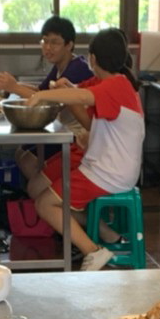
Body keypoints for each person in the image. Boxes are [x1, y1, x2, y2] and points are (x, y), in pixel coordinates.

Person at [23, 27, 143, 271]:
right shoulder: (113, 82)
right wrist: (66, 87)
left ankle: (94, 252)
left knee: (45, 204)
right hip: (107, 167)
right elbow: (80, 92)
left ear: (93, 58)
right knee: (56, 200)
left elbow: (83, 97)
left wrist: (42, 95)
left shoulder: (116, 86)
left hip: (109, 173)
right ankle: (104, 235)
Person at [0, 15, 95, 185]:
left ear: (69, 45)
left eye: (55, 42)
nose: (48, 47)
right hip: (62, 131)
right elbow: (40, 92)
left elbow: (49, 102)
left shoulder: (77, 68)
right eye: (45, 41)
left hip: (77, 138)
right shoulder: (60, 67)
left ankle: (46, 191)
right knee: (21, 153)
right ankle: (39, 191)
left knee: (28, 160)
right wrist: (8, 84)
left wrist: (14, 87)